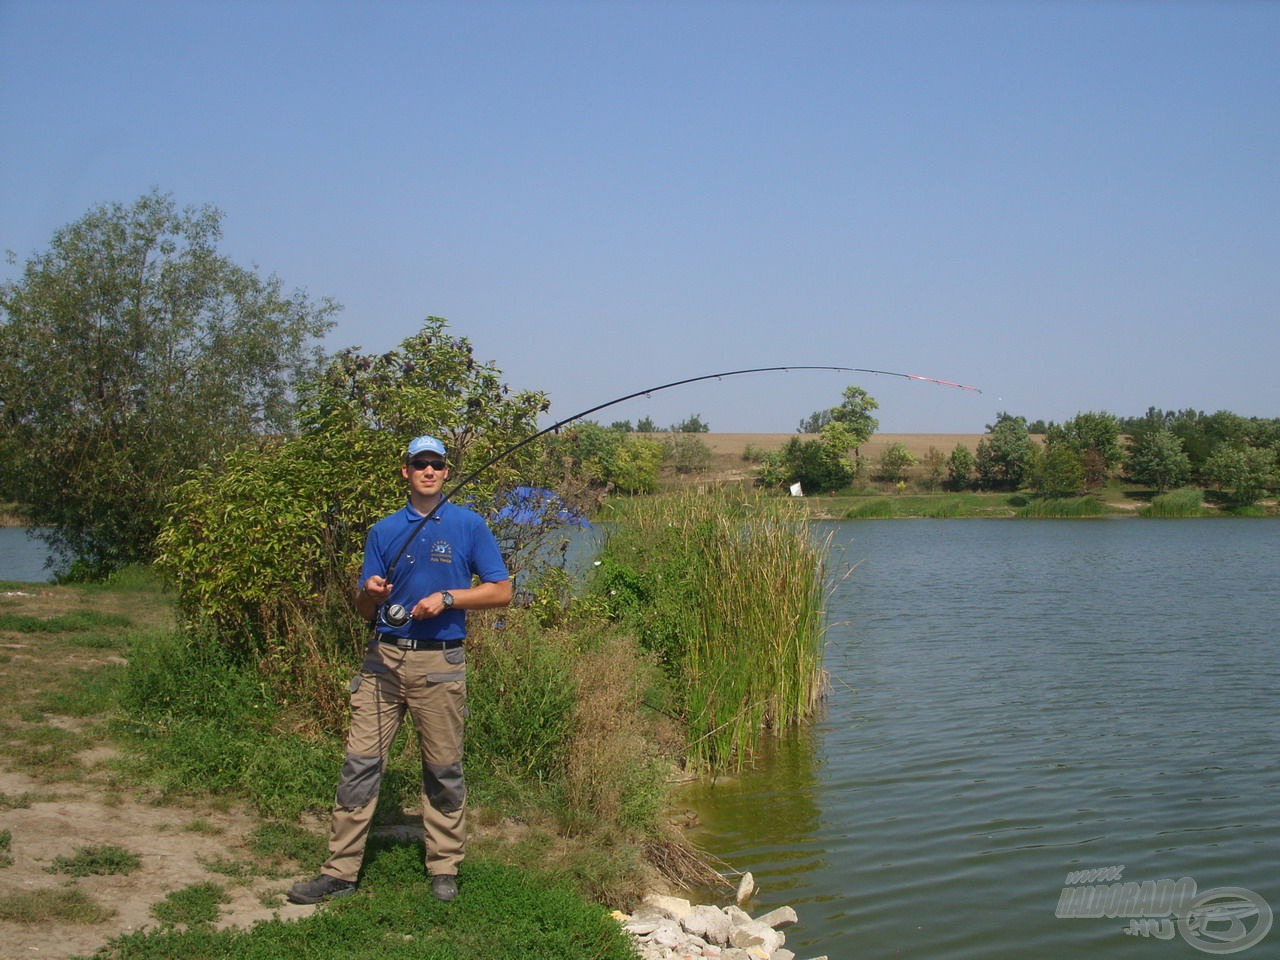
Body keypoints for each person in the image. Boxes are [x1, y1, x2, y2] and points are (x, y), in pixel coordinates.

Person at [287, 435, 513, 905]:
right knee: (360, 766)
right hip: (382, 661)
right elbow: (362, 607)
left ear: (447, 472)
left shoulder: (469, 525)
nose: (429, 471)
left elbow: (501, 590)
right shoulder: (383, 531)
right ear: (405, 471)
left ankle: (444, 867)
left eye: (437, 464)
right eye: (419, 464)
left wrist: (449, 598)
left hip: (441, 664)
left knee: (443, 769)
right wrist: (369, 591)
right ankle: (339, 872)